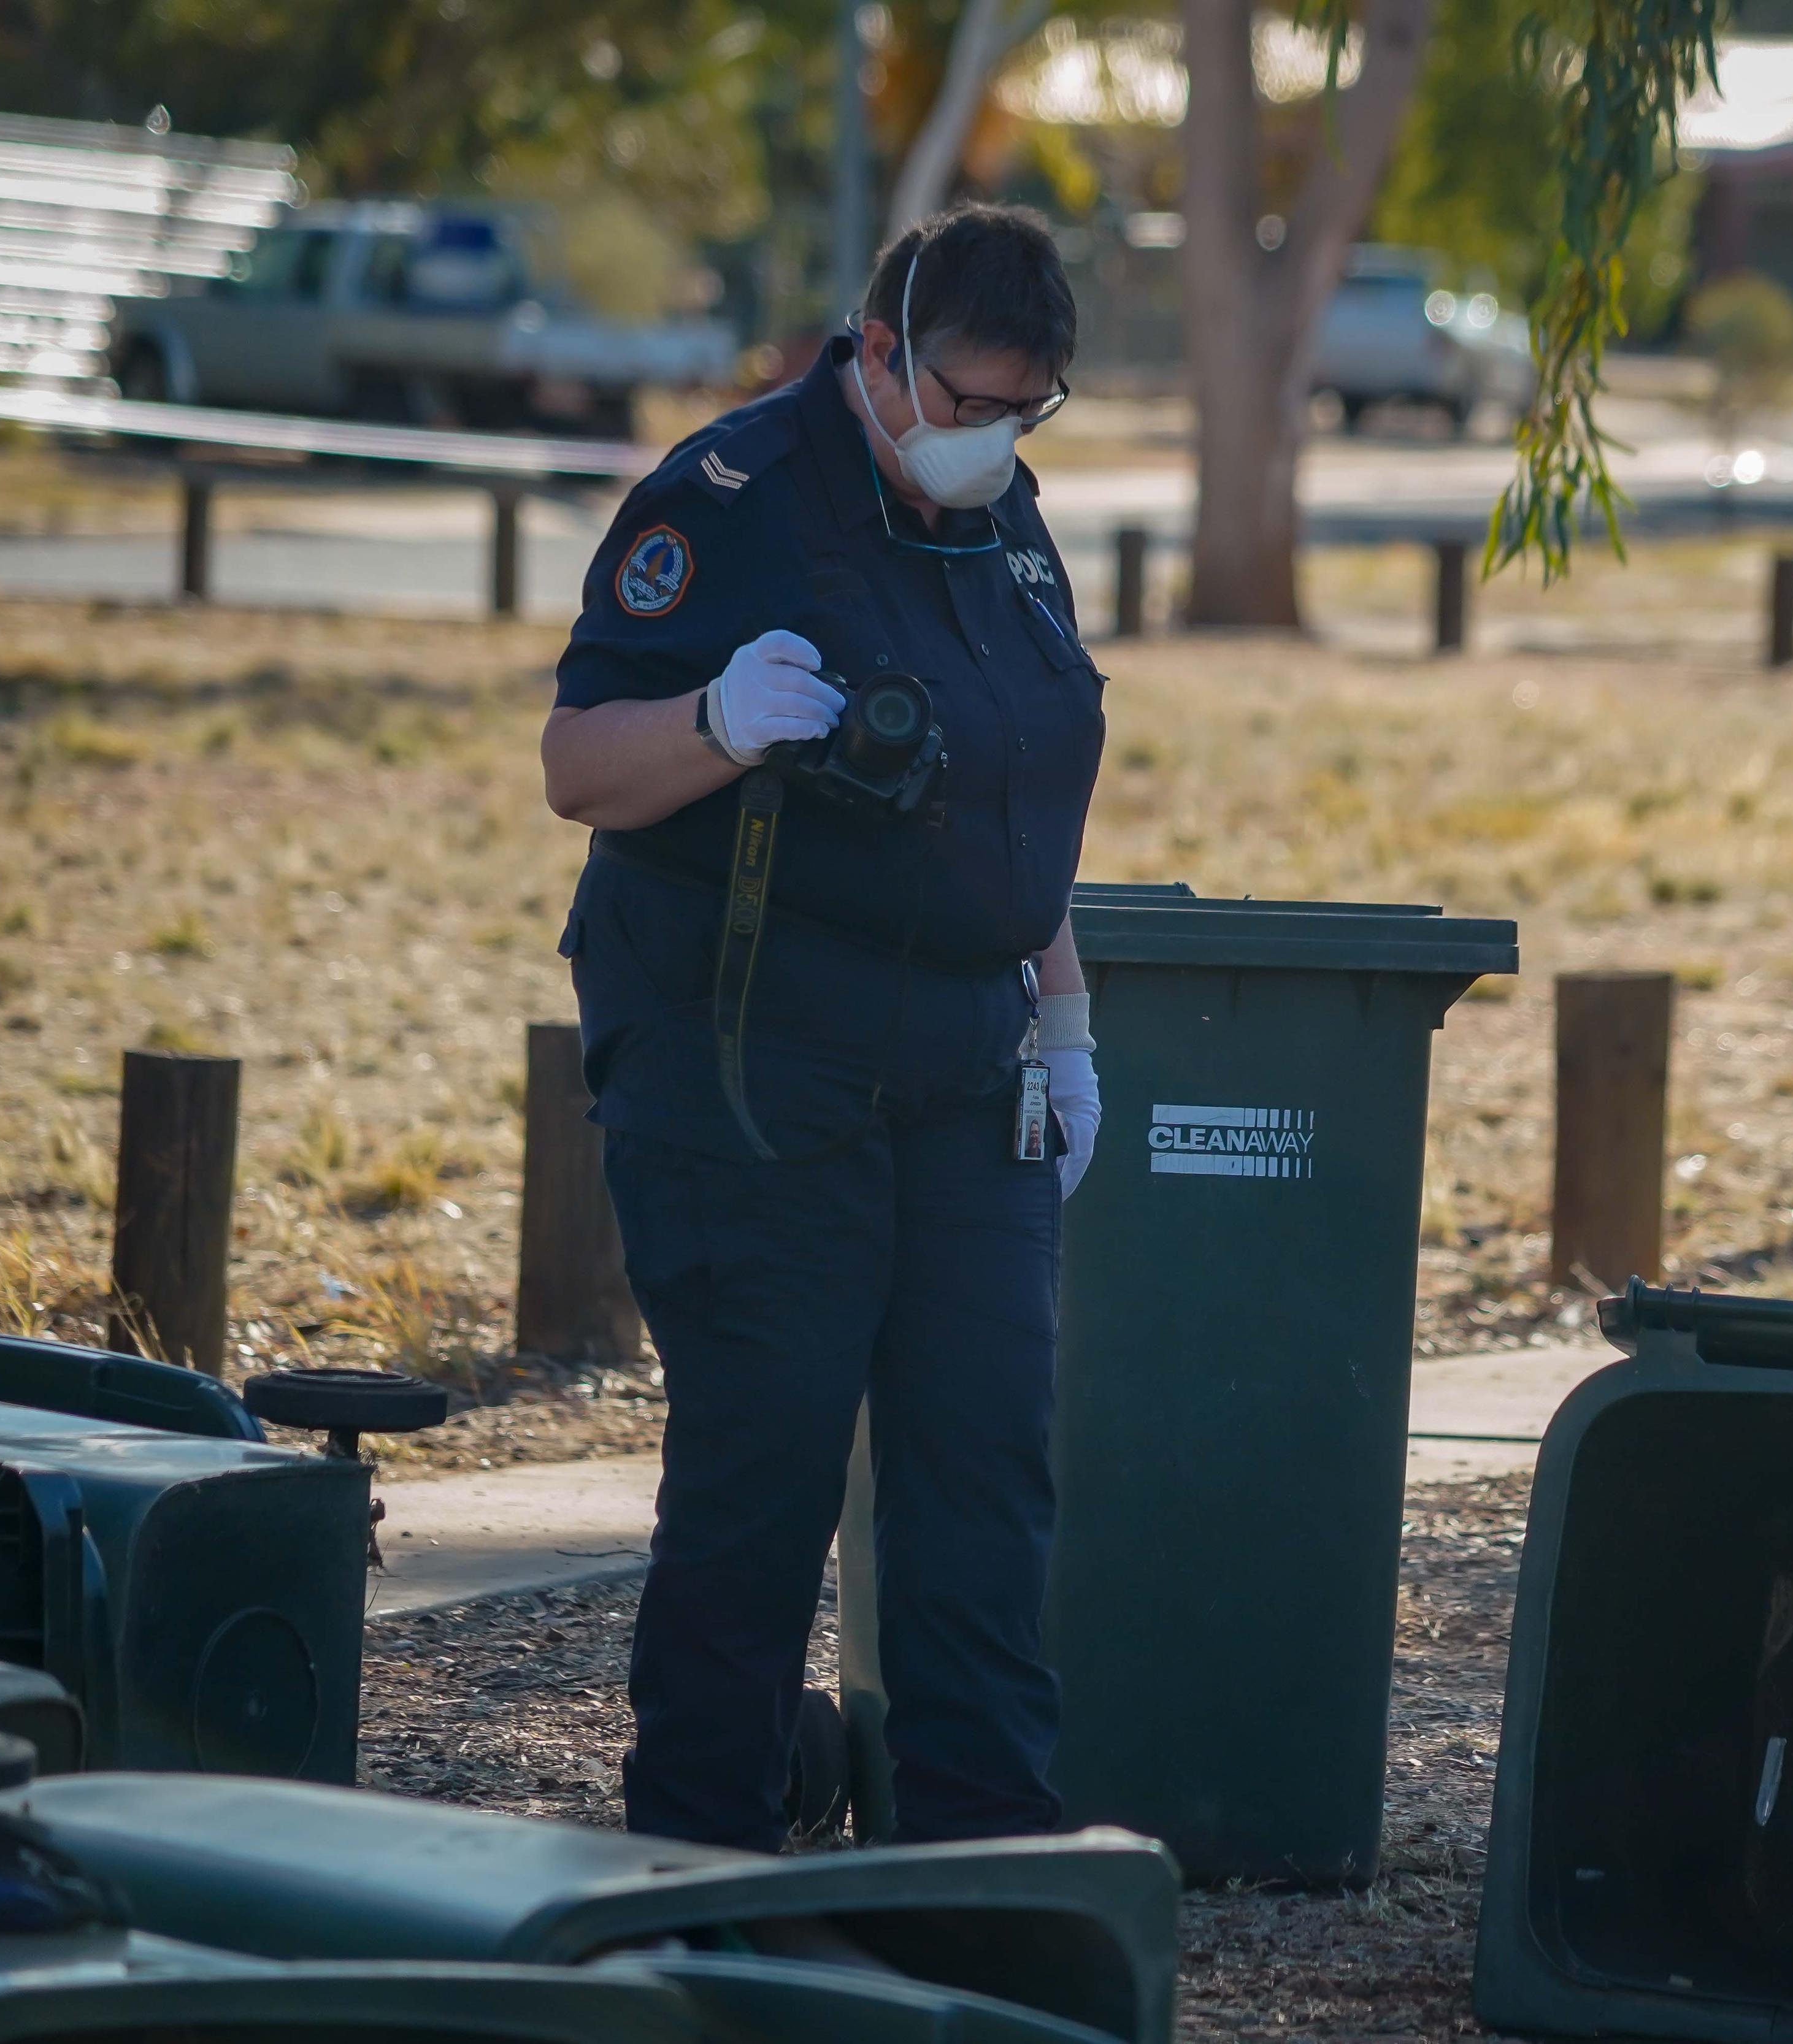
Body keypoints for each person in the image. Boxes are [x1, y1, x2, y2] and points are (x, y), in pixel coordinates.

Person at [539, 203, 1105, 1851]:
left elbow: (1014, 794)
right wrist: (718, 722)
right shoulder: (730, 503)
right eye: (970, 401)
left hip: (962, 1066)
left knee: (986, 1480)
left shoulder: (1002, 519)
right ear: (877, 354)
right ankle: (698, 1866)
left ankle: (986, 1862)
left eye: (1025, 413)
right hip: (753, 1070)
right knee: (762, 1490)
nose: (990, 439)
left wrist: (1063, 1023)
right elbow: (578, 765)